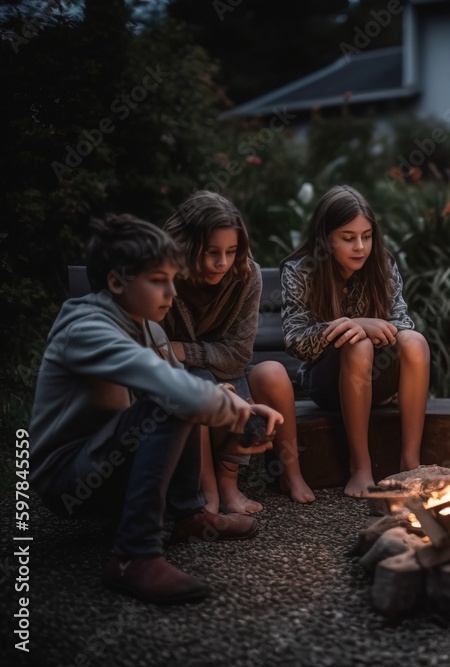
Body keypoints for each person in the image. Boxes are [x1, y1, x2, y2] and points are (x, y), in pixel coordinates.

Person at [28, 215, 280, 604]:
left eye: (172, 279)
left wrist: (244, 407)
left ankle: (188, 516)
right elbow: (174, 391)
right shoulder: (87, 329)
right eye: (158, 280)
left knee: (179, 398)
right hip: (69, 480)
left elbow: (187, 386)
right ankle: (134, 555)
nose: (172, 293)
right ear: (116, 281)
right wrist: (232, 412)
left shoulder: (149, 327)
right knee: (170, 403)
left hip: (109, 460)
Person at [161, 191, 315, 514]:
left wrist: (185, 350)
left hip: (230, 372)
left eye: (231, 251)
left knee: (272, 372)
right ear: (187, 246)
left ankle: (282, 476)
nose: (222, 262)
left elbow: (237, 355)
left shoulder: (246, 276)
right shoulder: (164, 277)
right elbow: (155, 349)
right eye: (212, 252)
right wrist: (189, 358)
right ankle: (208, 493)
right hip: (179, 383)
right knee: (197, 380)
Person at [280, 185, 430, 498]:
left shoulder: (381, 264)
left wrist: (378, 328)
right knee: (357, 342)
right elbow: (296, 342)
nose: (360, 246)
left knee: (415, 342)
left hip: (379, 381)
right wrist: (354, 326)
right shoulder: (300, 271)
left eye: (367, 236)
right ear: (326, 238)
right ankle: (360, 467)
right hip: (328, 383)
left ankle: (410, 463)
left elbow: (403, 322)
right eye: (348, 238)